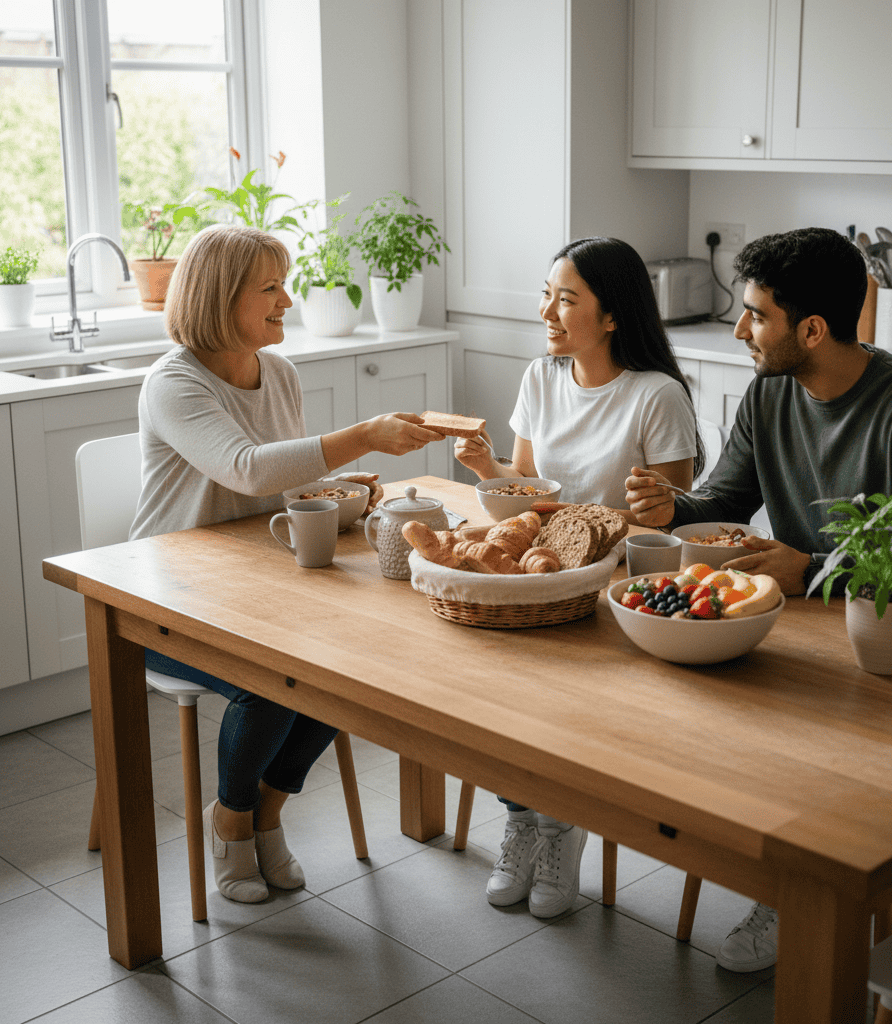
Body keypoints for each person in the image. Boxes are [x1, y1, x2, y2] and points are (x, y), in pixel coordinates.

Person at [626, 226, 892, 972]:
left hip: (886, 642)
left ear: (813, 330)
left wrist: (813, 567)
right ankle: (774, 872)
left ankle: (792, 897)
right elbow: (728, 495)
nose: (739, 327)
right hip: (793, 631)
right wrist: (673, 506)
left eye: (755, 313)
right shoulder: (769, 391)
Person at [130, 225, 444, 904]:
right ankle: (232, 819)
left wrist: (338, 493)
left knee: (351, 663)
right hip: (166, 598)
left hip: (253, 579)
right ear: (221, 297)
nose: (287, 299)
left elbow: (279, 489)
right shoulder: (173, 383)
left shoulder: (279, 372)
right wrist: (359, 434)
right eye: (270, 288)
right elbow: (244, 471)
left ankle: (268, 809)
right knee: (273, 677)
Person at [455, 236, 704, 918]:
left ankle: (561, 824)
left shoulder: (656, 396)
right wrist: (487, 472)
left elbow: (670, 526)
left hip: (615, 595)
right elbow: (528, 488)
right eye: (547, 295)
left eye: (566, 300)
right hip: (542, 578)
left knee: (557, 700)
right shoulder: (541, 379)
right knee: (484, 689)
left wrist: (636, 517)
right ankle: (524, 817)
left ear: (614, 315)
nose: (547, 312)